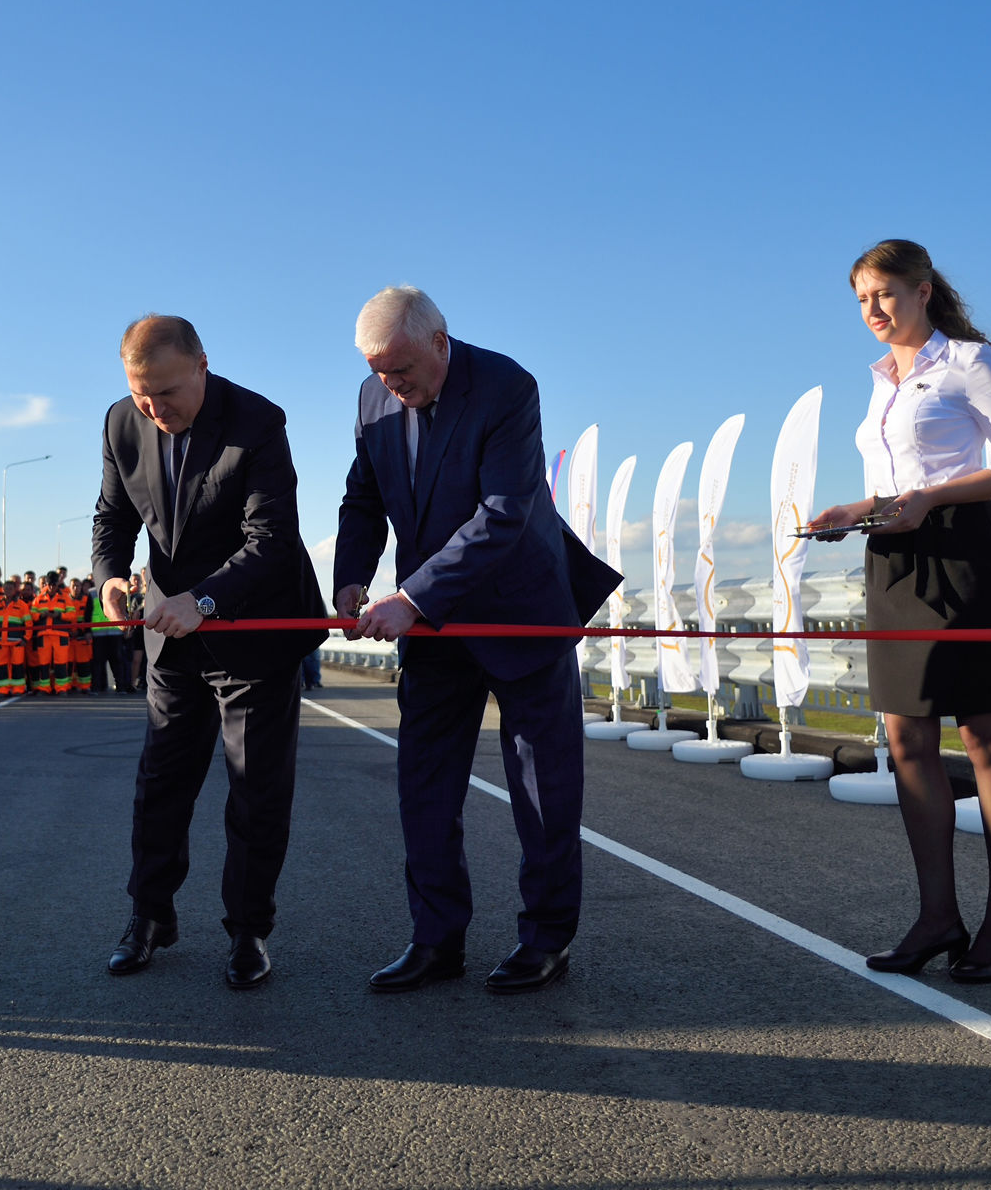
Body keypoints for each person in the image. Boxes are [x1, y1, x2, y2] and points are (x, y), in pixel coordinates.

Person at [334, 286, 619, 995]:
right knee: (424, 787)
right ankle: (435, 940)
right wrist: (350, 579)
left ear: (439, 342)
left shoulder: (505, 387)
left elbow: (505, 513)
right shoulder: (373, 400)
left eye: (400, 370)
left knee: (542, 790)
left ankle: (545, 940)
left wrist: (413, 598)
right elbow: (362, 498)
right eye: (377, 373)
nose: (390, 387)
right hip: (430, 630)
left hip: (517, 610)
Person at [806, 239, 991, 985]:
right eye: (861, 301)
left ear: (921, 290)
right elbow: (896, 482)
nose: (873, 312)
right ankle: (937, 917)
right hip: (892, 556)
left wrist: (932, 498)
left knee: (982, 733)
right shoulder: (882, 379)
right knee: (906, 739)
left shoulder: (970, 362)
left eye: (884, 295)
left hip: (964, 552)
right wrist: (856, 509)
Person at [93, 314, 325, 990]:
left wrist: (206, 600)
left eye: (165, 392)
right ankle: (149, 916)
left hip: (251, 631)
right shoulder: (121, 423)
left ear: (201, 365)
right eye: (140, 393)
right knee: (159, 784)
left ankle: (249, 932)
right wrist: (109, 574)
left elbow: (273, 538)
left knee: (255, 791)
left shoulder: (257, 422)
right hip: (170, 634)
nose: (153, 408)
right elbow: (112, 518)